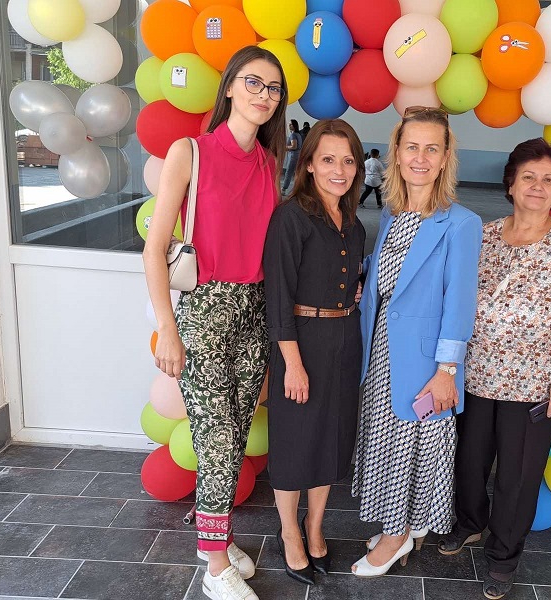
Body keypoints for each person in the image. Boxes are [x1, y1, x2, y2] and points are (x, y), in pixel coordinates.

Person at [142, 46, 288, 600]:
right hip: (205, 309)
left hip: (254, 309)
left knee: (234, 432)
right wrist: (168, 328)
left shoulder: (269, 164)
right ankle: (214, 564)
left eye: (273, 88)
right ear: (229, 86)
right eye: (254, 82)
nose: (264, 95)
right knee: (218, 437)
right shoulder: (191, 151)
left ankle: (217, 544)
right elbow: (155, 248)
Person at [437, 138, 551, 600]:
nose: (537, 186)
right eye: (528, 176)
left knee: (518, 477)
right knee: (467, 463)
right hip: (474, 377)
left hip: (533, 386)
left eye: (549, 180)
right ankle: (469, 523)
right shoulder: (482, 235)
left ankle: (504, 557)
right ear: (511, 183)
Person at [351, 106, 483, 577]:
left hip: (425, 362)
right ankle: (399, 526)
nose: (420, 158)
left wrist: (446, 371)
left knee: (411, 447)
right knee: (387, 443)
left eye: (432, 148)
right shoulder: (392, 213)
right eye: (412, 147)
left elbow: (459, 302)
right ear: (397, 153)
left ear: (446, 157)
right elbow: (391, 277)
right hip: (381, 350)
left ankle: (396, 536)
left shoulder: (461, 223)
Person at [263, 119, 366, 586]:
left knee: (330, 440)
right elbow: (278, 297)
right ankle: (289, 532)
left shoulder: (353, 223)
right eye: (328, 160)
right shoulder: (291, 218)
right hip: (300, 342)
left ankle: (315, 526)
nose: (338, 170)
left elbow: (347, 276)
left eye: (347, 160)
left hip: (344, 340)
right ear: (308, 164)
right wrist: (292, 364)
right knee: (294, 443)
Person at [282, 119, 302, 195]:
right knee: (297, 173)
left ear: (294, 126)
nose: (289, 125)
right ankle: (298, 189)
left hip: (293, 156)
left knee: (289, 172)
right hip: (298, 155)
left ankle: (284, 189)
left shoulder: (293, 135)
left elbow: (294, 146)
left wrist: (285, 147)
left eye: (291, 124)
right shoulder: (298, 134)